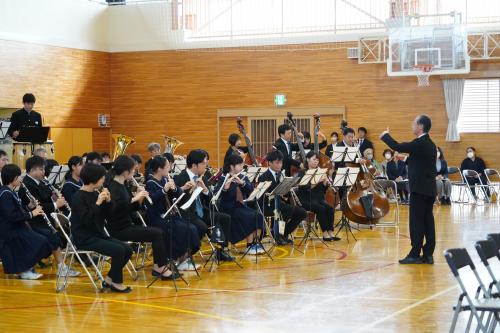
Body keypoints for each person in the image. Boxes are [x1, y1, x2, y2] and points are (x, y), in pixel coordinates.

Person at [107, 155, 178, 280]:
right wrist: (133, 198)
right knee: (157, 233)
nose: (134, 172)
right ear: (125, 171)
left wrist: (140, 200)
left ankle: (159, 267)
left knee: (157, 233)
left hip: (127, 225)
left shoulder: (124, 185)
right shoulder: (113, 187)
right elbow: (113, 210)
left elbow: (131, 209)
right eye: (132, 169)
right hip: (118, 229)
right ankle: (160, 268)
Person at [380, 115, 437, 265]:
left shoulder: (419, 142)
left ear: (420, 126)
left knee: (416, 223)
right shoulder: (430, 144)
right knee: (427, 222)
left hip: (419, 189)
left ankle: (414, 254)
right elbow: (419, 162)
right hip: (429, 190)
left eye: (414, 123)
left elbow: (397, 146)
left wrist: (385, 136)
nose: (412, 125)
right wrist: (403, 159)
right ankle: (428, 254)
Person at [71, 163, 133, 293]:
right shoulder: (78, 197)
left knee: (127, 249)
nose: (104, 180)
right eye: (102, 177)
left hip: (97, 234)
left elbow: (109, 216)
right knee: (118, 250)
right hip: (84, 237)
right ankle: (116, 283)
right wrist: (98, 203)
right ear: (94, 179)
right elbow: (86, 220)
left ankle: (110, 279)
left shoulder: (95, 193)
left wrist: (109, 202)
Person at [18, 156, 80, 277]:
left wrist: (55, 198)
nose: (43, 172)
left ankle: (61, 267)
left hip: (45, 220)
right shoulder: (27, 185)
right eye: (41, 169)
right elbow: (39, 206)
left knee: (60, 236)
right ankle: (31, 267)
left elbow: (47, 199)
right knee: (52, 236)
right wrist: (56, 204)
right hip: (33, 221)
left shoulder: (42, 182)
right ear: (32, 170)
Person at [174, 149, 234, 262]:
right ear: (194, 165)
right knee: (202, 227)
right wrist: (186, 189)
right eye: (204, 164)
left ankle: (220, 252)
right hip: (187, 213)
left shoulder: (203, 177)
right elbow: (176, 200)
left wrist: (205, 190)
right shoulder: (180, 178)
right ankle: (185, 255)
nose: (206, 167)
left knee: (225, 218)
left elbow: (211, 199)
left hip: (201, 211)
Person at [145, 155, 201, 271]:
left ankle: (182, 259)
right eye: (167, 167)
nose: (169, 169)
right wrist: (164, 190)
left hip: (170, 215)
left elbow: (177, 194)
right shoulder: (150, 182)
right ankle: (176, 258)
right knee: (183, 229)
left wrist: (176, 189)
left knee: (192, 229)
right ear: (159, 169)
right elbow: (151, 201)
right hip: (157, 217)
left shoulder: (165, 179)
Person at [0, 164, 53, 279]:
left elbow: (18, 209)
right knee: (40, 241)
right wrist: (32, 214)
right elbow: (12, 215)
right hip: (10, 231)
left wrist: (30, 206)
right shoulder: (5, 194)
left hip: (18, 228)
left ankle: (25, 268)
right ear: (13, 178)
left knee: (45, 239)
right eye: (19, 176)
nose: (21, 179)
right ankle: (24, 270)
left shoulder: (10, 191)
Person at [215, 154, 265, 254]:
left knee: (258, 215)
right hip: (228, 208)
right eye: (240, 165)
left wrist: (242, 183)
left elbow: (251, 189)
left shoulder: (242, 176)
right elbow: (216, 195)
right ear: (232, 166)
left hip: (240, 206)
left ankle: (255, 243)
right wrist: (225, 188)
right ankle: (249, 245)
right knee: (249, 217)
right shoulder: (223, 178)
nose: (242, 167)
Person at [258, 150, 307, 246]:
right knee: (286, 211)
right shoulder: (263, 177)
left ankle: (283, 234)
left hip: (278, 204)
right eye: (277, 162)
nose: (279, 165)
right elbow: (264, 196)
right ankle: (277, 235)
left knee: (301, 213)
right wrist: (279, 185)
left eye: (281, 162)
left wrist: (289, 186)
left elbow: (285, 194)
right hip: (267, 206)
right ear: (270, 163)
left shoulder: (281, 174)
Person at [297, 151, 339, 241]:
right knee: (321, 208)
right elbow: (306, 189)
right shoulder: (302, 172)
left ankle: (330, 231)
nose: (316, 161)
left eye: (317, 160)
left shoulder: (320, 171)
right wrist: (318, 180)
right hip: (306, 200)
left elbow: (322, 191)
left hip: (318, 199)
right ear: (308, 159)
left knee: (330, 208)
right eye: (314, 159)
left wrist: (325, 184)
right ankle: (324, 233)